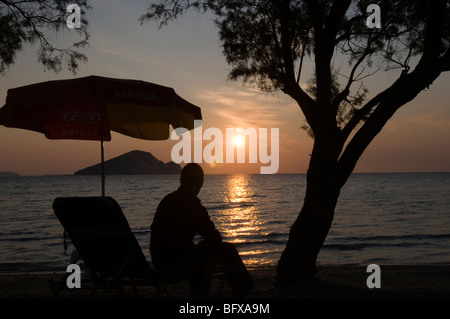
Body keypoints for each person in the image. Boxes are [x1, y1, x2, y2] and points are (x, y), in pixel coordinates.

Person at [150, 163, 254, 298]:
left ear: (181, 180)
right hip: (177, 265)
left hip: (160, 263)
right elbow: (215, 239)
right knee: (227, 250)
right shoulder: (192, 205)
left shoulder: (168, 200)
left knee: (201, 260)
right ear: (200, 182)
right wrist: (204, 245)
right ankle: (244, 293)